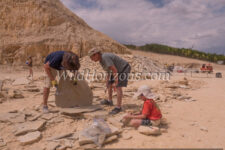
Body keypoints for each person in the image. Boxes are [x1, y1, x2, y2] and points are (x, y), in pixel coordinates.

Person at [88, 48, 131, 114]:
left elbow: (114, 70)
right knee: (109, 84)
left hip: (123, 68)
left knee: (118, 87)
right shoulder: (101, 60)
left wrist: (116, 82)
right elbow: (108, 71)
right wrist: (107, 81)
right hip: (116, 70)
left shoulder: (105, 57)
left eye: (92, 57)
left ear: (96, 54)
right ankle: (110, 101)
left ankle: (118, 107)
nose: (92, 60)